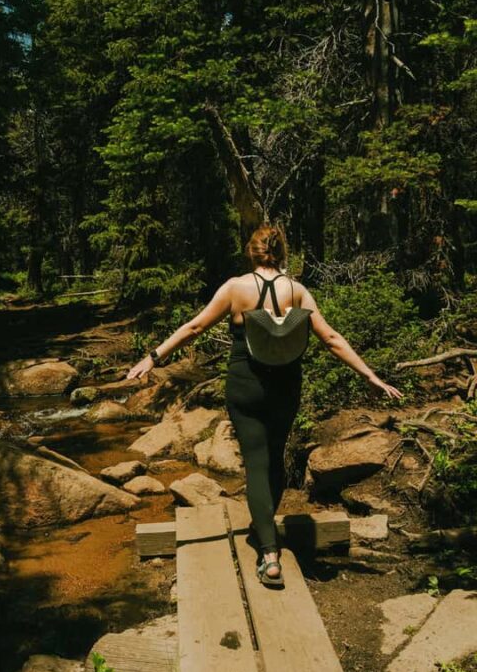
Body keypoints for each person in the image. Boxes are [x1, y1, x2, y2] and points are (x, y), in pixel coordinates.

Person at [126, 223, 403, 587]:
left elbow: (195, 328)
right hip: (285, 388)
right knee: (274, 457)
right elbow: (332, 339)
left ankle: (268, 554)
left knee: (256, 464)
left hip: (245, 386)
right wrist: (371, 376)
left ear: (251, 252)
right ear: (282, 252)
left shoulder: (235, 288)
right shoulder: (298, 291)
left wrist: (153, 356)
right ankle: (265, 528)